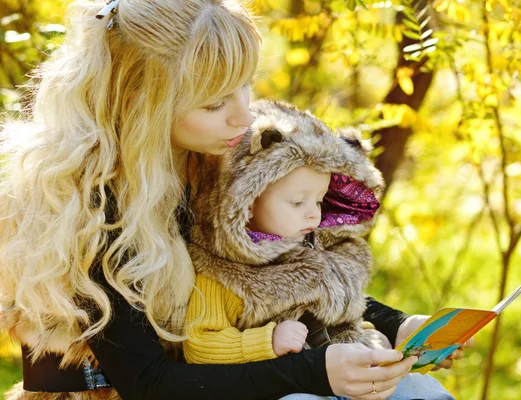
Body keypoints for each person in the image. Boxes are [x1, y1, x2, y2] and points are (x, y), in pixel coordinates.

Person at [0, 0, 467, 399]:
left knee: (418, 392)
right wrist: (316, 370)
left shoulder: (216, 159)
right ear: (142, 101)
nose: (243, 116)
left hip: (241, 370)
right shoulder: (85, 202)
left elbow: (280, 273)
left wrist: (397, 324)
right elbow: (146, 381)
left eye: (244, 86)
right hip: (116, 393)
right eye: (213, 103)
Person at [183, 100, 392, 367]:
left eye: (319, 201)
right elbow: (199, 346)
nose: (313, 215)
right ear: (247, 202)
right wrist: (267, 341)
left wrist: (369, 338)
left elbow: (330, 320)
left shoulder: (320, 251)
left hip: (341, 376)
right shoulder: (221, 273)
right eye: (297, 202)